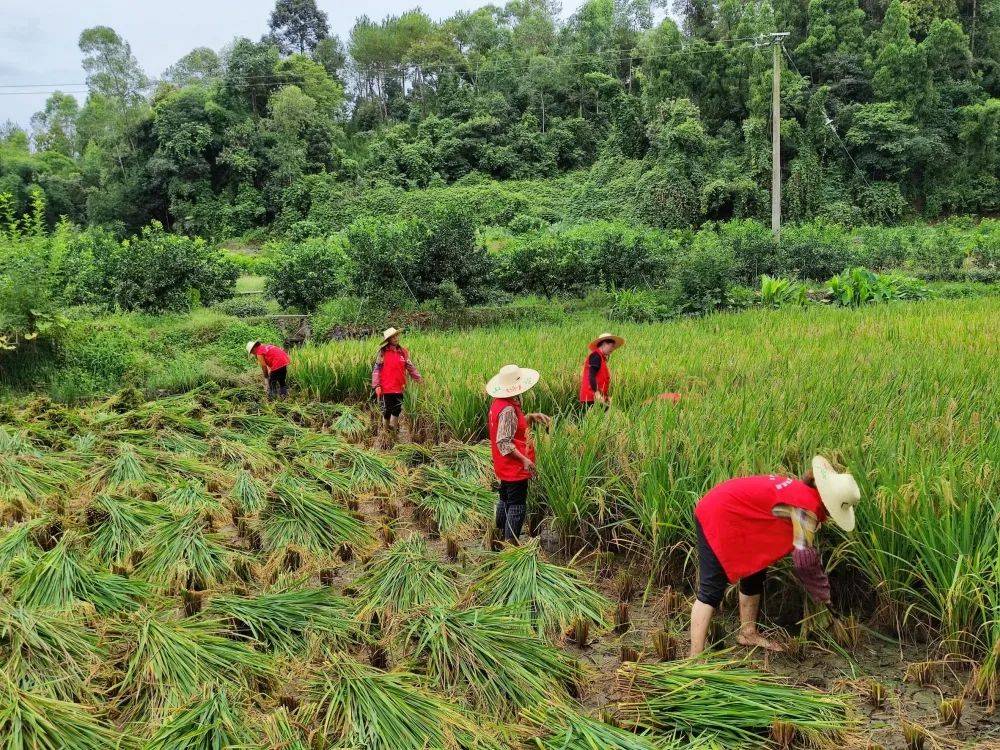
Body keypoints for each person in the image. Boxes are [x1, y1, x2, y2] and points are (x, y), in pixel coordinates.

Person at [688, 456, 860, 657]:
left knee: (755, 570)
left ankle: (748, 633)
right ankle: (695, 658)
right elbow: (804, 562)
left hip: (732, 509)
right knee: (711, 590)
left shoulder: (803, 492)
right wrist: (823, 595)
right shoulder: (807, 510)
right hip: (718, 513)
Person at [486, 364, 551, 543]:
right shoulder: (507, 409)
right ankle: (511, 544)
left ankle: (499, 533)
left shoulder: (500, 403)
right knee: (517, 505)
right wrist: (524, 460)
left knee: (505, 497)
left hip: (503, 465)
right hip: (513, 466)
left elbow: (510, 428)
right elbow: (504, 442)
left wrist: (530, 417)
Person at [371, 327, 422, 436]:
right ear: (388, 340)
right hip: (386, 387)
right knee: (387, 410)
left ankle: (393, 432)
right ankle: (385, 434)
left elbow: (410, 367)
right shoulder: (383, 352)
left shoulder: (403, 352)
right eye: (393, 337)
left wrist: (419, 379)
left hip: (400, 387)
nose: (395, 338)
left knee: (397, 410)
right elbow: (377, 369)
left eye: (396, 336)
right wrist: (376, 385)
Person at [579, 333, 625, 407]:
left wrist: (605, 396)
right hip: (591, 397)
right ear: (604, 344)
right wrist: (597, 394)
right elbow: (591, 376)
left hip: (598, 397)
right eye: (611, 346)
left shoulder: (601, 357)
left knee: (606, 415)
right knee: (597, 417)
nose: (612, 349)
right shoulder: (596, 356)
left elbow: (601, 379)